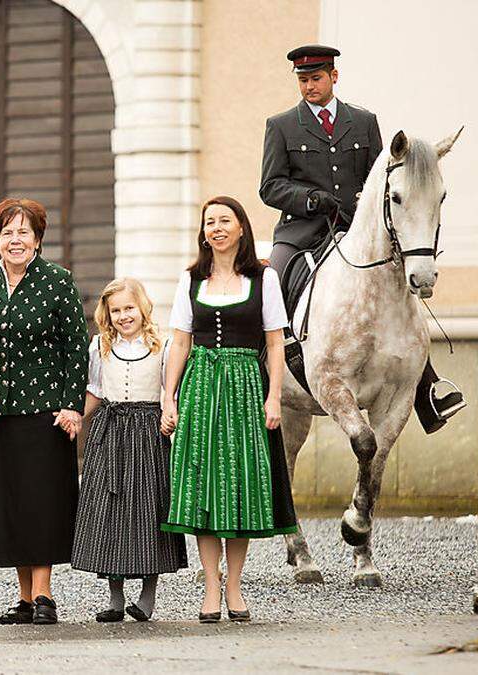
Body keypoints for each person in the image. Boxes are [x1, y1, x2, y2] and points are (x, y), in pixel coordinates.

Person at [258, 44, 464, 434]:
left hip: (356, 227)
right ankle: (270, 362)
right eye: (303, 80)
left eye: (315, 78)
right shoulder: (281, 125)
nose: (309, 87)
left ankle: (427, 388)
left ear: (333, 76)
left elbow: (380, 178)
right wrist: (309, 198)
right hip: (302, 231)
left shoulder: (364, 121)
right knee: (276, 276)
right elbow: (269, 187)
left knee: (398, 287)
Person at [160, 196, 298, 624]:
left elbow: (275, 342)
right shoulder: (190, 279)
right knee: (203, 485)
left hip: (243, 386)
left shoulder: (263, 278)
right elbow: (180, 341)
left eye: (224, 220)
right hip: (201, 385)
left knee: (238, 487)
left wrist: (273, 396)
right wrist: (169, 396)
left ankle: (235, 585)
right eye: (209, 222)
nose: (216, 228)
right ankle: (210, 586)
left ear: (241, 228)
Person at [0, 197, 89, 626]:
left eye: (23, 232)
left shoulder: (57, 281)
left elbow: (75, 347)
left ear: (38, 239)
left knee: (42, 501)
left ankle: (45, 594)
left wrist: (72, 405)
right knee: (10, 503)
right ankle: (25, 598)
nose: (15, 239)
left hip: (46, 412)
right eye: (7, 232)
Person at [71, 278, 187, 623]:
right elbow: (94, 389)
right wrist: (76, 416)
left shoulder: (162, 347)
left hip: (148, 432)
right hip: (110, 432)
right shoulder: (99, 346)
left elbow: (171, 394)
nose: (123, 316)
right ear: (107, 314)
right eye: (116, 310)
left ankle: (148, 595)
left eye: (129, 308)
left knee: (149, 511)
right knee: (112, 510)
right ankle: (116, 596)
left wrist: (171, 417)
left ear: (143, 309)